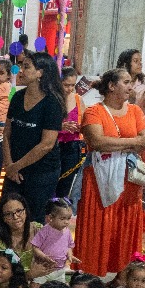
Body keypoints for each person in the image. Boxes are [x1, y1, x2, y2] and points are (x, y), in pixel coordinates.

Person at [71, 69, 145, 278]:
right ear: (111, 86)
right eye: (126, 82)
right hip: (98, 181)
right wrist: (132, 143)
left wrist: (116, 144)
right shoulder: (93, 111)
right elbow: (97, 142)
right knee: (97, 228)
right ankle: (89, 277)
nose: (131, 86)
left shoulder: (135, 111)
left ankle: (122, 279)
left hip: (130, 182)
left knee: (124, 229)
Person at [1, 52, 64, 225]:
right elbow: (6, 133)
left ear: (40, 73)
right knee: (6, 215)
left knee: (32, 219)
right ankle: (3, 252)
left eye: (27, 67)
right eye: (22, 66)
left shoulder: (52, 103)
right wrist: (9, 165)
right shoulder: (17, 97)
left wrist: (16, 166)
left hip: (41, 171)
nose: (21, 70)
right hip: (14, 169)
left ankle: (30, 253)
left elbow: (46, 145)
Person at [55, 67, 85, 201]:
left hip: (73, 145)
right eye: (66, 85)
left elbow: (85, 122)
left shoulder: (78, 99)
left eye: (73, 85)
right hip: (54, 145)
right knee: (52, 182)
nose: (70, 89)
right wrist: (60, 126)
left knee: (66, 184)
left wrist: (80, 127)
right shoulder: (53, 99)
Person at [31, 198, 77, 284]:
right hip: (44, 268)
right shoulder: (45, 230)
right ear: (50, 217)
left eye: (68, 218)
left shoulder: (67, 231)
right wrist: (44, 257)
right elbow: (35, 247)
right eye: (63, 219)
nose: (66, 222)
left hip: (59, 269)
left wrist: (70, 256)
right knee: (35, 287)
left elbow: (68, 246)